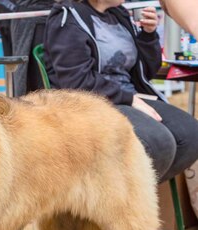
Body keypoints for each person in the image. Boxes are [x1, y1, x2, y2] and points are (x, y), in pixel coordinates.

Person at [44, 0, 198, 184]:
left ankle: (133, 194)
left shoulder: (119, 13)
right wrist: (129, 98)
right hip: (90, 104)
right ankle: (119, 200)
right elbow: (76, 81)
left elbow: (147, 71)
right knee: (159, 142)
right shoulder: (67, 18)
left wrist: (148, 36)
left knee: (191, 135)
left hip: (129, 96)